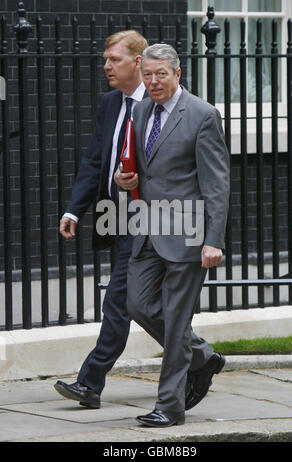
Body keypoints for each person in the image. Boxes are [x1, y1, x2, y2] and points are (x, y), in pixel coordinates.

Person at [115, 43, 230, 427]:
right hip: (147, 231)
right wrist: (122, 179)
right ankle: (202, 356)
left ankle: (170, 406)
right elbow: (143, 170)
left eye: (160, 74)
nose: (153, 82)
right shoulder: (141, 109)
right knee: (138, 306)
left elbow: (216, 185)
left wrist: (213, 239)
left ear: (177, 74)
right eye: (147, 75)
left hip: (188, 234)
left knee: (177, 322)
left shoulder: (202, 115)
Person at [53, 30, 149, 409]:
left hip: (149, 217)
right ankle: (199, 358)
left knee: (119, 300)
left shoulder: (160, 104)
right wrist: (74, 209)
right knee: (146, 305)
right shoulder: (111, 102)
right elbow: (95, 160)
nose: (106, 66)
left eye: (114, 59)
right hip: (117, 216)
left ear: (137, 62)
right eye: (105, 60)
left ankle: (90, 383)